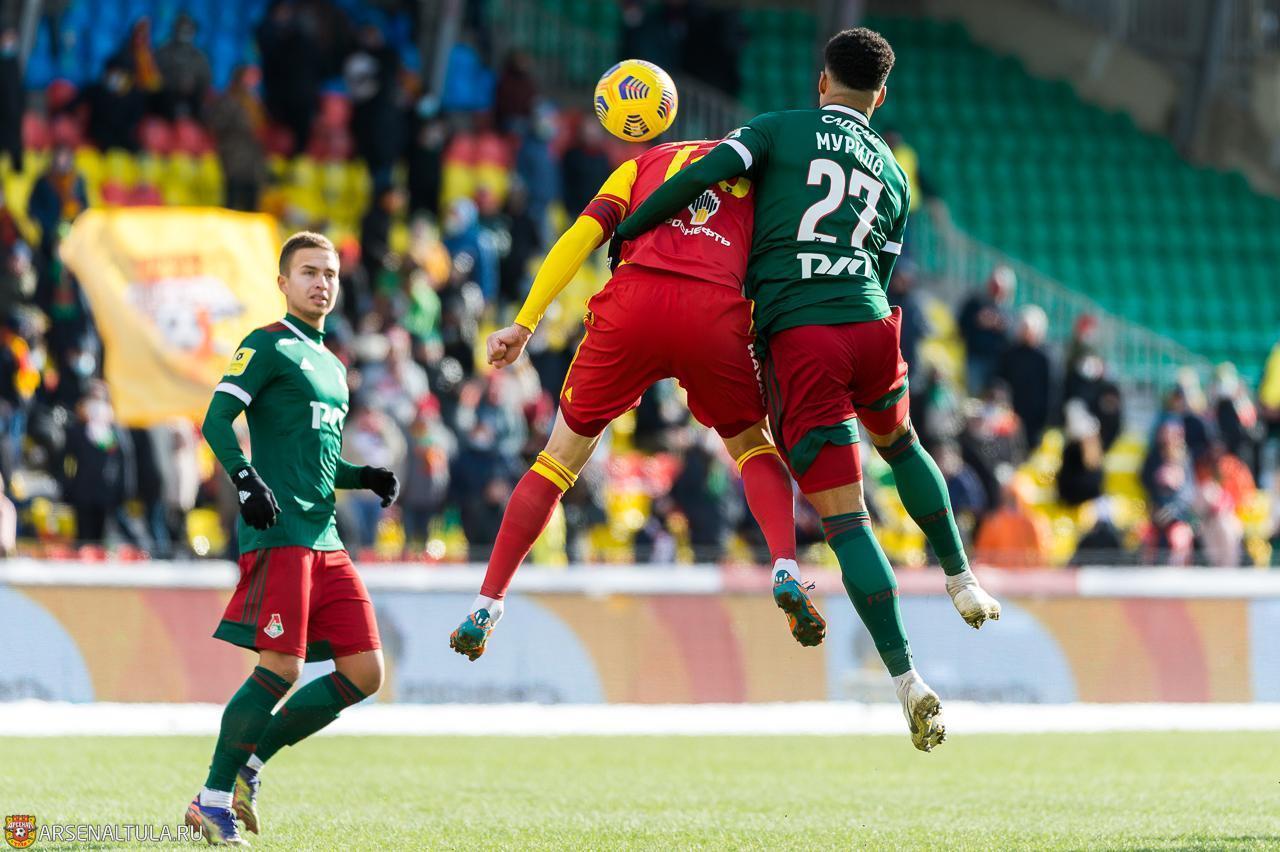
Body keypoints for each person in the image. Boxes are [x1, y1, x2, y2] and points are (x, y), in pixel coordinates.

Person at [616, 27, 1003, 751]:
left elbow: (700, 177)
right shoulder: (895, 173)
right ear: (879, 97)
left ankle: (907, 679)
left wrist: (630, 230)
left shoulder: (777, 129)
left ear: (822, 82)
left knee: (847, 520)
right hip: (870, 324)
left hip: (803, 336)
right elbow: (884, 270)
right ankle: (961, 575)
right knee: (903, 443)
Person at [448, 135, 821, 663]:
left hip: (633, 306)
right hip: (713, 312)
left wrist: (525, 323)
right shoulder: (760, 174)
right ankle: (785, 565)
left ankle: (488, 602)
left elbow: (580, 237)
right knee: (752, 447)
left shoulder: (642, 165)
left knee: (556, 461)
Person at [185, 232, 401, 845]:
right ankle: (211, 800)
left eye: (329, 273)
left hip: (325, 537)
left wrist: (362, 476)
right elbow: (216, 419)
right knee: (281, 666)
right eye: (308, 272)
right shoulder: (266, 344)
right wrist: (244, 479)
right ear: (283, 283)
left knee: (365, 671)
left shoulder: (333, 365)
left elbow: (318, 465)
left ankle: (250, 764)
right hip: (279, 531)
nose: (321, 283)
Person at [998, 304, 1054, 450]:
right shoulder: (1010, 354)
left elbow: (1050, 392)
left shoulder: (1044, 358)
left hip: (1034, 417)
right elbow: (1001, 381)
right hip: (1012, 413)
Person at [958, 265, 1015, 395]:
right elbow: (961, 325)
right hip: (975, 357)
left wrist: (1000, 325)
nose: (996, 289)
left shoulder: (1008, 310)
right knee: (973, 395)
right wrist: (977, 321)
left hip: (997, 361)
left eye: (999, 287)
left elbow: (1012, 337)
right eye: (994, 285)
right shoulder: (975, 303)